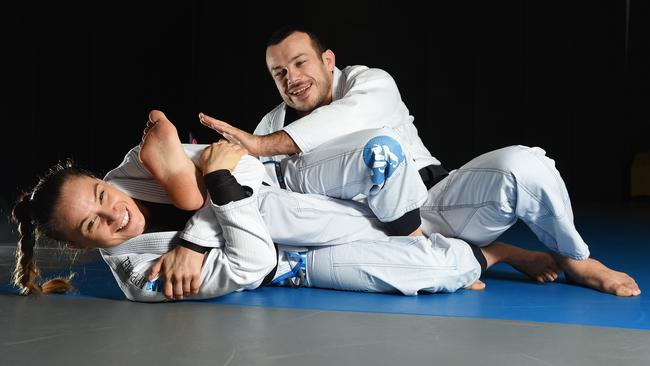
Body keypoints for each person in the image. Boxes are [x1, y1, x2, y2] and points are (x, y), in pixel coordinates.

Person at [197, 27, 640, 297]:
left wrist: (260, 146)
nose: (292, 78)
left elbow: (345, 123)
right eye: (279, 73)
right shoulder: (269, 126)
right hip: (360, 228)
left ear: (328, 61)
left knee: (524, 164)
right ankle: (492, 255)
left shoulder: (368, 83)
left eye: (300, 63)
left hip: (439, 203)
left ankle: (575, 257)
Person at [10, 111, 558, 302]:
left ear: (102, 180)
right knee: (447, 267)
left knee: (381, 159)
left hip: (286, 192)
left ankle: (436, 229)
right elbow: (250, 266)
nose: (116, 216)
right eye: (94, 226)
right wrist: (211, 182)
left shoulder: (136, 163)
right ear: (81, 246)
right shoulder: (142, 275)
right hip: (290, 263)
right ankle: (498, 253)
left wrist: (200, 234)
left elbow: (238, 163)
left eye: (103, 197)